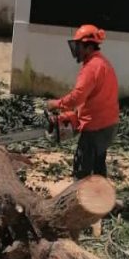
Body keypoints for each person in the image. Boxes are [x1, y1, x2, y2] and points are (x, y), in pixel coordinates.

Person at [47, 24, 120, 179]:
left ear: (88, 47)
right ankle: (101, 193)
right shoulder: (102, 63)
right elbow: (92, 95)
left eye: (79, 46)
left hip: (95, 126)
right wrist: (76, 114)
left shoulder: (91, 68)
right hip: (108, 124)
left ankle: (80, 193)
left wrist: (56, 104)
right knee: (98, 166)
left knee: (82, 170)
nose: (76, 50)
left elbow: (77, 97)